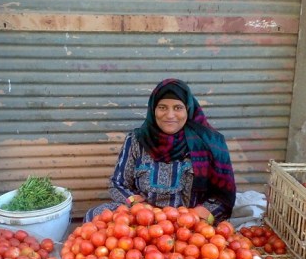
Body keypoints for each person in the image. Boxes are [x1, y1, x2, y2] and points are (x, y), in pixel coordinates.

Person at [84, 78, 236, 224]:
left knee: (211, 241)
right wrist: (133, 202)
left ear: (188, 110)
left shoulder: (209, 142)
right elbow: (117, 183)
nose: (170, 115)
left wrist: (200, 214)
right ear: (153, 109)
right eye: (163, 107)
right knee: (94, 215)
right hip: (142, 220)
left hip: (187, 223)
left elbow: (223, 196)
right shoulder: (136, 140)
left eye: (178, 108)